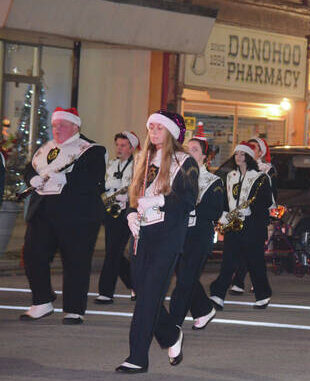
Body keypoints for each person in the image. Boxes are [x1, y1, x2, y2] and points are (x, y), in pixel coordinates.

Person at [116, 111, 198, 373]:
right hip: (142, 235)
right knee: (143, 293)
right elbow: (133, 196)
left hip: (167, 237)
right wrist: (129, 214)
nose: (153, 132)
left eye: (159, 128)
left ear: (171, 132)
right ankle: (171, 335)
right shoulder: (143, 158)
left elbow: (187, 201)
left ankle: (137, 357)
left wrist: (162, 200)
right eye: (150, 127)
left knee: (149, 296)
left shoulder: (185, 162)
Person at [20, 107, 106, 325]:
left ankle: (74, 309)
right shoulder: (46, 148)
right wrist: (31, 179)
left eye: (62, 125)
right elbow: (30, 168)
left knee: (75, 261)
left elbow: (94, 180)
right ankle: (42, 300)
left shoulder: (92, 150)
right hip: (43, 212)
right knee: (32, 255)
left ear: (75, 126)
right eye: (54, 125)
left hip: (77, 215)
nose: (56, 129)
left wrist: (66, 180)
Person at [168, 129, 225, 332]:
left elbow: (215, 210)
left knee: (184, 280)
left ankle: (173, 322)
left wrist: (191, 205)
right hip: (179, 232)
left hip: (199, 236)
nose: (189, 152)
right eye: (187, 149)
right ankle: (203, 309)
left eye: (194, 150)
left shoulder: (213, 181)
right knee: (185, 276)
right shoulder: (178, 176)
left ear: (203, 156)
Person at [209, 141, 273, 310]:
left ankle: (263, 295)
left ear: (249, 157)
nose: (238, 157)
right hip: (233, 225)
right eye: (236, 154)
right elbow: (225, 198)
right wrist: (223, 213)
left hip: (253, 227)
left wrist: (251, 210)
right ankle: (218, 295)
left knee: (255, 262)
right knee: (228, 261)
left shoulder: (260, 177)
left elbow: (266, 200)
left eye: (242, 154)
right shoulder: (230, 176)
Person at [228, 136, 277, 295]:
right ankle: (240, 281)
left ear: (261, 151)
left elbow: (271, 194)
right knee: (243, 249)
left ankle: (246, 282)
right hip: (242, 215)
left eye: (254, 147)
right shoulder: (240, 169)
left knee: (254, 250)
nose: (251, 149)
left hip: (258, 215)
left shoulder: (267, 170)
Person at [95, 131, 139, 304]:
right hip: (111, 211)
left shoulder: (137, 165)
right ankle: (135, 284)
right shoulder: (112, 165)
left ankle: (106, 292)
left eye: (123, 145)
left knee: (113, 252)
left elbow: (135, 188)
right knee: (113, 252)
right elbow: (103, 185)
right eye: (117, 145)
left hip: (128, 212)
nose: (119, 149)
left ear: (131, 148)